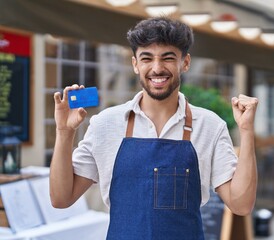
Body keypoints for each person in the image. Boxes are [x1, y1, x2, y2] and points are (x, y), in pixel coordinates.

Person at [50, 17, 258, 240]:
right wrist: (64, 132)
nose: (157, 68)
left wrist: (246, 131)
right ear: (135, 64)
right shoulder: (105, 124)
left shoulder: (209, 126)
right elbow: (61, 199)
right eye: (146, 58)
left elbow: (241, 205)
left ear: (185, 62)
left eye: (168, 58)